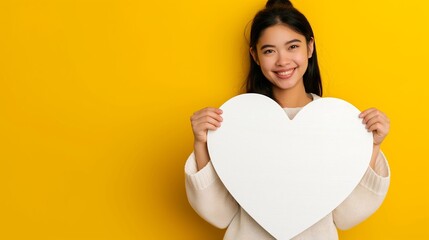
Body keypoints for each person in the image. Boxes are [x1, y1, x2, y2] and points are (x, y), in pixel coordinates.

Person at [184, 0, 390, 239]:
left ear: (310, 47)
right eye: (269, 50)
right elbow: (219, 214)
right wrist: (201, 142)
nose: (282, 61)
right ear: (255, 55)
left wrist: (371, 145)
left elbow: (346, 215)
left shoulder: (337, 123)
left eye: (293, 47)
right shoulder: (235, 122)